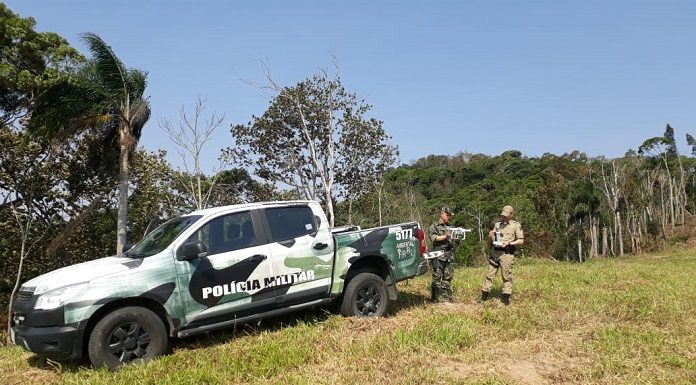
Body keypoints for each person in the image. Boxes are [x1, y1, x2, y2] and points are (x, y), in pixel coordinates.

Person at [481, 205, 524, 305]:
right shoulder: (497, 225)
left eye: (506, 215)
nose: (503, 217)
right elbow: (492, 237)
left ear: (511, 215)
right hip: (495, 252)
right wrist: (491, 236)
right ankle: (484, 297)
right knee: (489, 275)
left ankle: (505, 299)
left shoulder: (515, 225)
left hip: (506, 254)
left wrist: (509, 243)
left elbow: (521, 241)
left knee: (506, 277)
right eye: (503, 215)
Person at [428, 206, 456, 302]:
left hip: (449, 255)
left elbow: (454, 241)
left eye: (450, 215)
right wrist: (446, 236)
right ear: (442, 214)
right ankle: (435, 298)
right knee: (437, 277)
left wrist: (457, 237)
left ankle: (446, 297)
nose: (449, 217)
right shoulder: (434, 226)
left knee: (447, 277)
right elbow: (434, 238)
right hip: (439, 255)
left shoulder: (450, 227)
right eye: (447, 215)